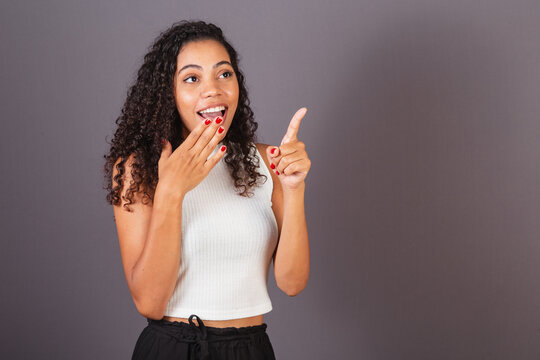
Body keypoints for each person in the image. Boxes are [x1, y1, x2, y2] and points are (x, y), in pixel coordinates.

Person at [103, 20, 311, 359]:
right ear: (167, 93)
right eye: (191, 78)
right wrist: (171, 191)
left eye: (224, 74)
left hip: (251, 348)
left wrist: (294, 188)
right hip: (175, 348)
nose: (212, 89)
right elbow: (149, 302)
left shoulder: (264, 161)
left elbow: (292, 282)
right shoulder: (139, 169)